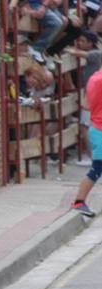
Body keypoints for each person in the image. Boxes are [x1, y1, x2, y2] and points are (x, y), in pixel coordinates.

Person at [72, 52, 102, 218]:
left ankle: (79, 201)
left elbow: (86, 104)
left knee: (97, 168)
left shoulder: (94, 78)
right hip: (100, 130)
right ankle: (78, 201)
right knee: (97, 169)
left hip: (96, 127)